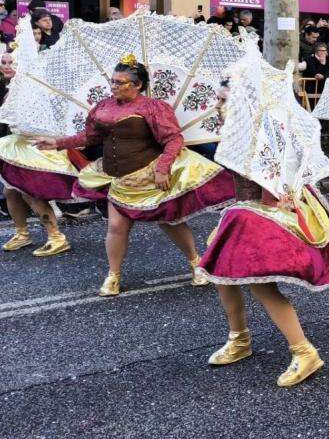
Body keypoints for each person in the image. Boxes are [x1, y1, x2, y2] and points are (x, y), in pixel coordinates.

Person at [32, 54, 236, 295]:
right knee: (116, 227)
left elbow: (173, 140)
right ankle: (113, 276)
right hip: (116, 177)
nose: (114, 86)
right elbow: (90, 137)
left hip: (148, 175)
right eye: (113, 81)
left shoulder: (153, 108)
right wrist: (57, 143)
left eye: (120, 83)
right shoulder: (103, 106)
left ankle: (195, 263)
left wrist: (163, 168)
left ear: (137, 85)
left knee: (170, 222)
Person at [198, 84, 329, 388]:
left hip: (263, 213)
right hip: (244, 211)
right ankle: (239, 339)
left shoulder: (265, 131)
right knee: (220, 268)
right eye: (219, 100)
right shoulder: (236, 133)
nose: (218, 106)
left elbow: (282, 174)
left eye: (224, 100)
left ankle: (304, 351)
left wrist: (277, 198)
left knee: (260, 283)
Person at [0, 50, 77, 257]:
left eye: (12, 63)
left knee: (30, 192)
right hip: (19, 147)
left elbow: (34, 123)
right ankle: (22, 233)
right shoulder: (12, 87)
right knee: (11, 191)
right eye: (4, 62)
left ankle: (56, 237)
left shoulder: (32, 88)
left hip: (37, 147)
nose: (7, 66)